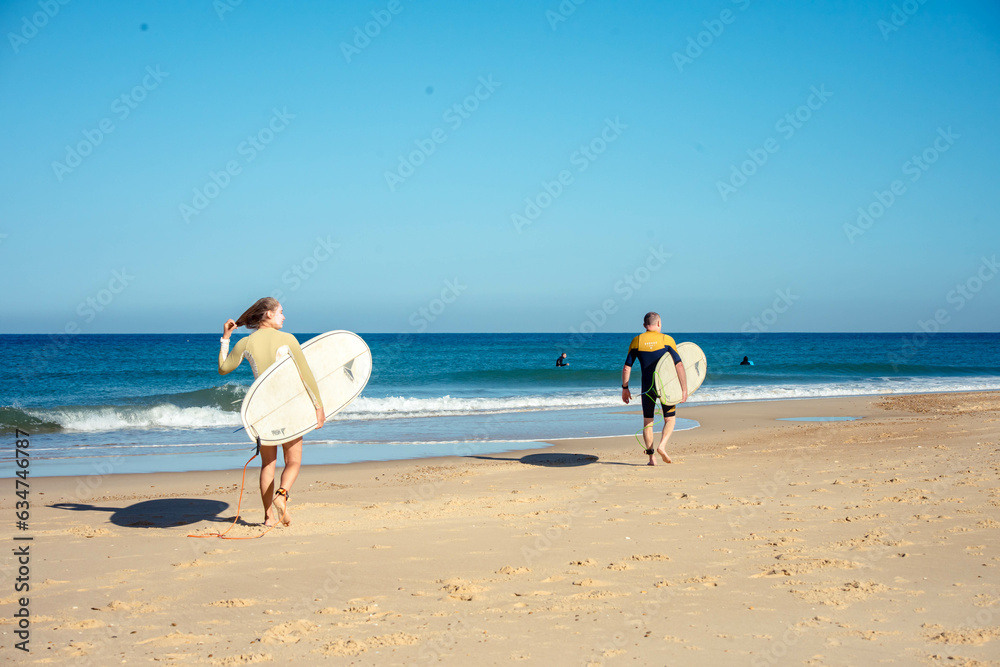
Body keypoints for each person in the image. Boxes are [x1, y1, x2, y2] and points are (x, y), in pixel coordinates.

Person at [218, 297, 325, 527]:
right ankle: (282, 494)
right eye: (280, 312)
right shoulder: (288, 339)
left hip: (263, 411)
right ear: (268, 314)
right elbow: (306, 375)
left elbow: (223, 368)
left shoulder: (245, 342)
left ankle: (267, 518)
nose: (284, 317)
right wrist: (318, 407)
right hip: (289, 408)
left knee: (268, 465)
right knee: (293, 461)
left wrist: (226, 338)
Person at [621, 312, 687, 466]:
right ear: (659, 324)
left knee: (648, 422)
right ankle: (662, 446)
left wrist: (625, 388)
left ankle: (651, 458)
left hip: (647, 387)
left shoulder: (636, 341)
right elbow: (679, 365)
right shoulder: (667, 340)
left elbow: (626, 368)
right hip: (666, 388)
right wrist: (684, 389)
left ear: (644, 325)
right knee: (669, 419)